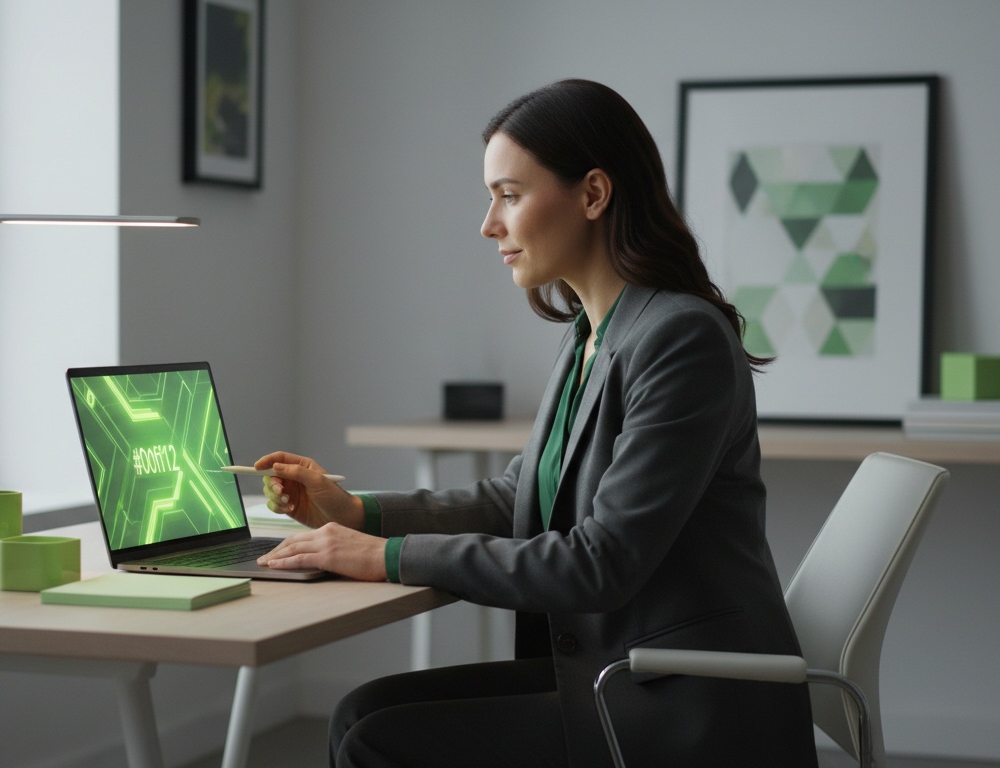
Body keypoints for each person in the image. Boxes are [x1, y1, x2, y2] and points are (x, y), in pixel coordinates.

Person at [252, 79, 817, 768]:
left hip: (682, 700)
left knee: (376, 740)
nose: (489, 223)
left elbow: (600, 562)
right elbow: (517, 499)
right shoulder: (589, 336)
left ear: (593, 194)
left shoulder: (680, 339)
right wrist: (358, 513)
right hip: (615, 672)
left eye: (510, 195)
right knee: (357, 714)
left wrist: (385, 558)